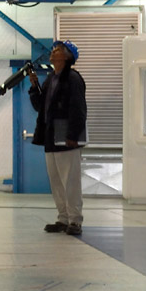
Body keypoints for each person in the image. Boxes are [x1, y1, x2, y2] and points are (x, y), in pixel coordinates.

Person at [28, 40, 87, 236]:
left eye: (58, 50)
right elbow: (40, 107)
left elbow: (78, 109)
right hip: (51, 134)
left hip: (66, 134)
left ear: (68, 57)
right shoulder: (51, 79)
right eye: (53, 49)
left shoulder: (73, 78)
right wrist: (34, 86)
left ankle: (75, 220)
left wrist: (72, 135)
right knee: (56, 180)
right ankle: (63, 218)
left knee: (70, 180)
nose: (53, 52)